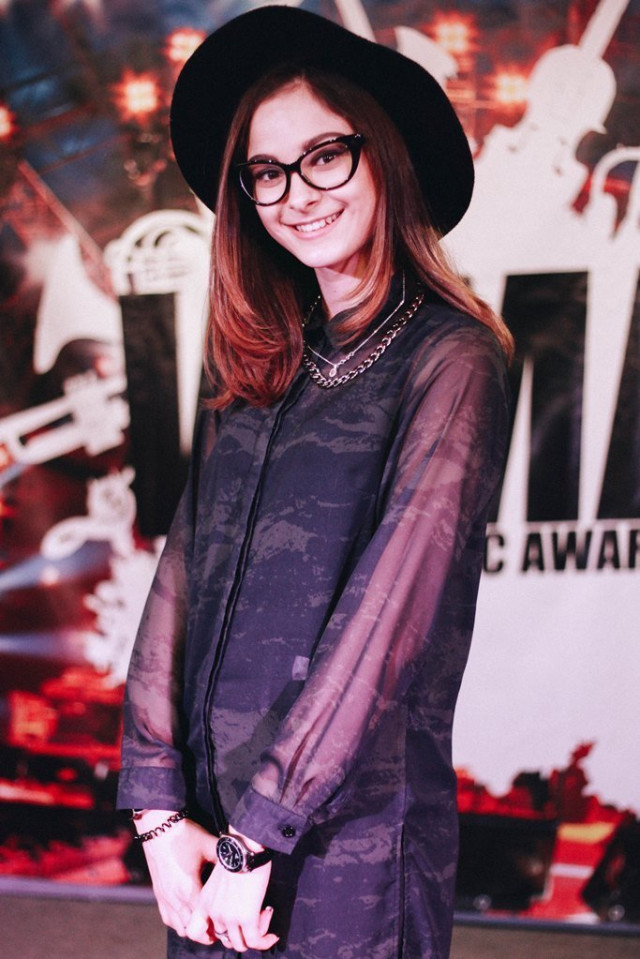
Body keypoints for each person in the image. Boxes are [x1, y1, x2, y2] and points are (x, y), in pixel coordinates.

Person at [117, 7, 514, 959]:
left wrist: (257, 834)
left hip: (349, 851)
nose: (296, 194)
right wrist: (159, 814)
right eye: (267, 172)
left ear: (382, 158)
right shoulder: (261, 362)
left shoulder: (451, 359)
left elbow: (388, 622)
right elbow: (178, 583)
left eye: (325, 156)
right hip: (209, 834)